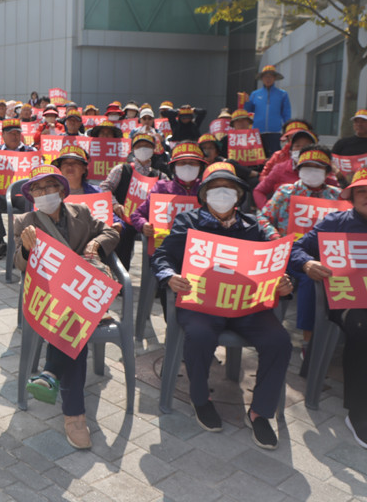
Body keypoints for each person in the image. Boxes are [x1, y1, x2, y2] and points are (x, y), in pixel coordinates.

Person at [151, 162, 293, 448]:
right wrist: (170, 276)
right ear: (203, 195)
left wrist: (282, 283)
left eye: (229, 189)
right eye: (215, 189)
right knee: (200, 336)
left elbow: (274, 263)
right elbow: (163, 256)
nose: (222, 194)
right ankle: (201, 398)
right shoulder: (187, 221)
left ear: (239, 196)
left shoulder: (254, 226)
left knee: (280, 341)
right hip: (202, 302)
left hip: (247, 305)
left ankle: (260, 412)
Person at [14, 164, 119, 450]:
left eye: (50, 187)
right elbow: (18, 265)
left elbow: (111, 231)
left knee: (75, 323)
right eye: (38, 188)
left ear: (62, 190)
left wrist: (95, 245)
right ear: (31, 194)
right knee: (77, 326)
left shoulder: (81, 213)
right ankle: (74, 415)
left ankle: (50, 374)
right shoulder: (25, 221)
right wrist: (25, 248)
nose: (44, 193)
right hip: (50, 296)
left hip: (84, 295)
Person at [289, 167, 367, 448]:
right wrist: (308, 264)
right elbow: (295, 249)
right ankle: (359, 413)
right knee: (363, 327)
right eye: (362, 191)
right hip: (347, 301)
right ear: (352, 195)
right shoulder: (336, 222)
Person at [257, 145, 340, 359]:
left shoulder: (337, 196)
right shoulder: (286, 192)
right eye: (307, 166)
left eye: (317, 167)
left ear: (327, 171)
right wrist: (276, 238)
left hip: (324, 256)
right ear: (298, 168)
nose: (312, 171)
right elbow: (262, 218)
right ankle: (308, 339)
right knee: (308, 278)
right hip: (286, 253)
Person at [101, 134, 168, 269]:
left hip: (149, 225)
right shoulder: (121, 169)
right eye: (139, 146)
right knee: (121, 258)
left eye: (147, 146)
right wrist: (114, 204)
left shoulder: (160, 176)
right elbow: (104, 188)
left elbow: (167, 198)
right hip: (124, 220)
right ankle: (121, 287)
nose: (143, 149)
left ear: (154, 150)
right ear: (133, 150)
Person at [0, 118, 37, 260]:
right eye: (11, 133)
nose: (15, 136)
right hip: (2, 194)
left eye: (18, 133)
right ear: (3, 135)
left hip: (23, 195)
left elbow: (40, 170)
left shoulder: (30, 151)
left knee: (33, 205)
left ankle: (26, 244)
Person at [253, 126, 338, 209]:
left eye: (306, 146)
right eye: (297, 146)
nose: (301, 149)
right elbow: (259, 191)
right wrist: (266, 209)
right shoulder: (284, 188)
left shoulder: (328, 180)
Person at [245, 65, 292, 157]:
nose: (268, 79)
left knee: (275, 156)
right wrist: (247, 102)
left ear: (274, 78)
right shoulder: (255, 94)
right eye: (266, 77)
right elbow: (249, 110)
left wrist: (288, 130)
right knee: (259, 156)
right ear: (262, 78)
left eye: (270, 76)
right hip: (258, 131)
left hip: (275, 131)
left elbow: (286, 113)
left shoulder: (282, 94)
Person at [331, 109, 367, 185]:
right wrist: (337, 171)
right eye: (356, 121)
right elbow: (330, 160)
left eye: (363, 121)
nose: (359, 124)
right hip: (343, 185)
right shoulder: (342, 143)